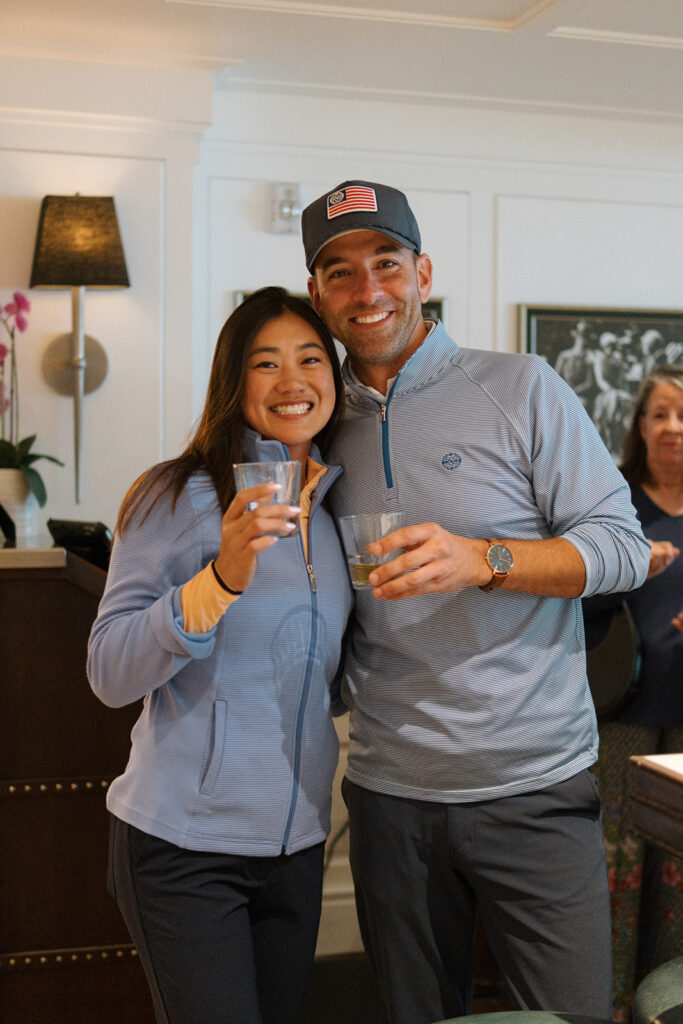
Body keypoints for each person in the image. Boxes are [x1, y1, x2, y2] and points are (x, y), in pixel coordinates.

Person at [300, 180, 651, 1024]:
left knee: (564, 1016)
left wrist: (482, 558)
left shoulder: (519, 387)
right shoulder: (310, 422)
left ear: (421, 270)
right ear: (317, 292)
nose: (367, 289)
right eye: (339, 271)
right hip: (391, 796)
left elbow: (622, 549)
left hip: (533, 787)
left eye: (385, 261)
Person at [87, 287, 353, 1024]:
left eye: (308, 358)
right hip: (183, 845)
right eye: (265, 363)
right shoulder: (176, 495)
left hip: (296, 843)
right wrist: (219, 581)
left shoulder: (333, 514)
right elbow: (108, 671)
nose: (292, 380)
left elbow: (315, 677)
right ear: (233, 383)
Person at [583, 363, 683, 1020]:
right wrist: (626, 569)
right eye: (658, 414)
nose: (672, 427)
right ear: (638, 428)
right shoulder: (610, 501)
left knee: (680, 879)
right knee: (614, 873)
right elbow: (574, 602)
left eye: (681, 413)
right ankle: (612, 1006)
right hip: (621, 713)